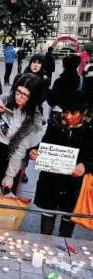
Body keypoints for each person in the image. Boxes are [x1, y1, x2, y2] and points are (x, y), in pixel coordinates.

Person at [30, 90, 92, 238]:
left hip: (74, 186)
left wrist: (85, 166)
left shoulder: (90, 130)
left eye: (74, 113)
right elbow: (44, 144)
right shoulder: (55, 123)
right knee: (47, 223)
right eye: (65, 112)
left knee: (67, 226)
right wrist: (35, 151)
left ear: (84, 112)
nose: (68, 117)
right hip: (51, 182)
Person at [0, 73, 44, 194]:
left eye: (25, 95)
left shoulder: (34, 117)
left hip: (12, 154)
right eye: (18, 91)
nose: (19, 97)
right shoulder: (7, 98)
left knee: (7, 192)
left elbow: (21, 149)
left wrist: (10, 176)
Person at [47, 55, 82, 121]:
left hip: (59, 112)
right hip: (74, 113)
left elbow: (52, 101)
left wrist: (48, 92)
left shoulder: (59, 81)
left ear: (65, 66)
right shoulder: (80, 79)